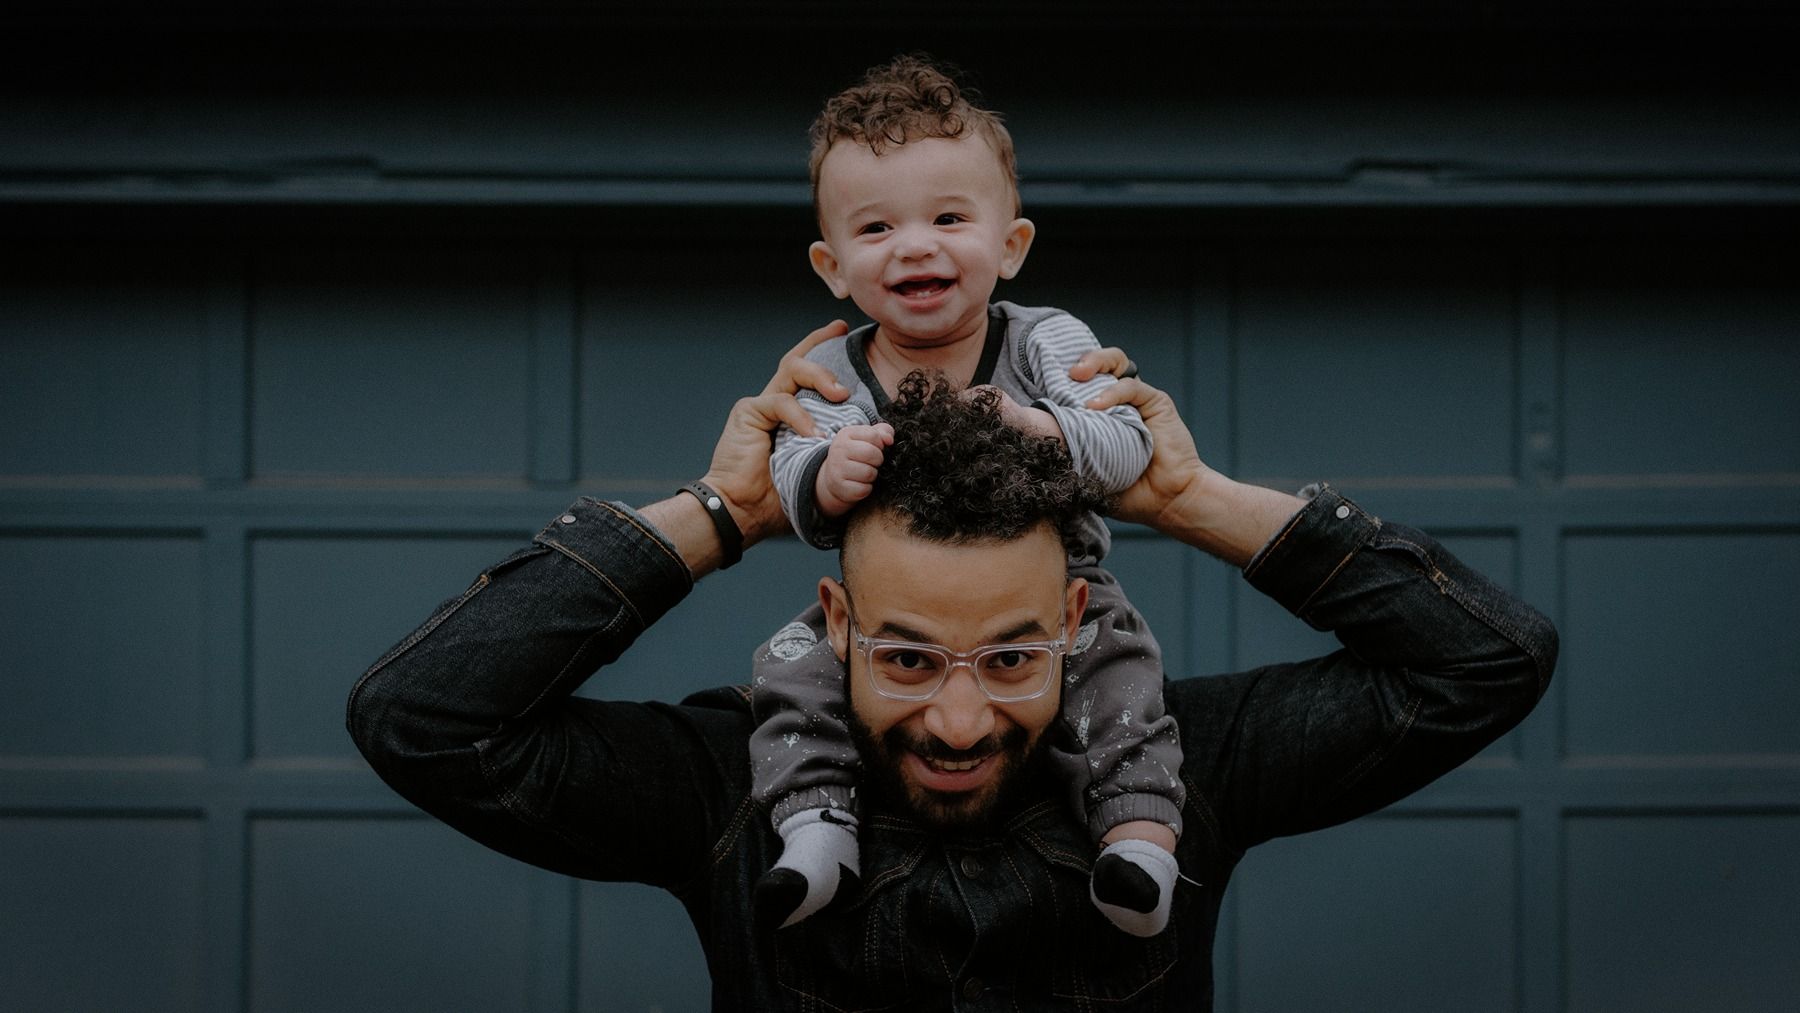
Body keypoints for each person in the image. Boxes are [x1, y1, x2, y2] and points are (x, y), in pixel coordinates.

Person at [347, 336, 1557, 1012]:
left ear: (1077, 614)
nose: (963, 717)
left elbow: (1487, 657)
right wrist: (723, 513)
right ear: (836, 621)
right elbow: (424, 716)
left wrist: (1188, 499)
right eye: (910, 656)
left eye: (1015, 655)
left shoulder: (1182, 764)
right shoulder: (730, 785)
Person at [752, 53, 1185, 938]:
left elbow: (1126, 442)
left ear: (1011, 245)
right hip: (889, 610)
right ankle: (814, 828)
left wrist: (1045, 428)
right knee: (791, 667)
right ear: (833, 267)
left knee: (1122, 671)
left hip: (1060, 586)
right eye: (876, 231)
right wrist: (824, 474)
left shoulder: (1043, 341)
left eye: (949, 217)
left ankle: (1139, 841)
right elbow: (794, 481)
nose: (915, 244)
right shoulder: (832, 368)